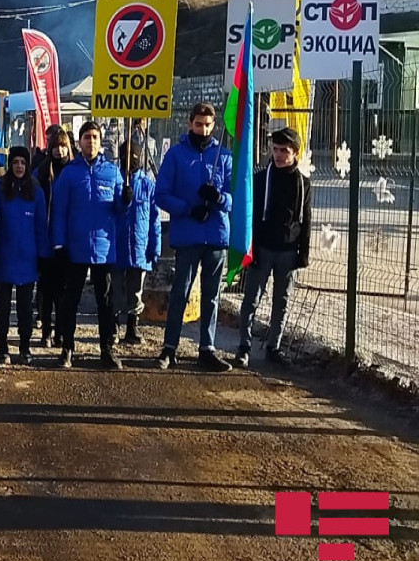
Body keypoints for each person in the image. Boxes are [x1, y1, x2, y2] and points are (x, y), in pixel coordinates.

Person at [155, 103, 234, 372]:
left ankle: (207, 348)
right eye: (198, 124)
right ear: (189, 123)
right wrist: (188, 209)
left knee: (212, 296)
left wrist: (219, 198)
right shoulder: (176, 155)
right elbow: (161, 194)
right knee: (180, 292)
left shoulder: (224, 156)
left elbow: (235, 197)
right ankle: (170, 347)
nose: (203, 129)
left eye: (208, 125)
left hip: (216, 234)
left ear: (214, 125)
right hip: (187, 234)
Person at [51, 122, 127, 369]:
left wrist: (125, 201)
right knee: (70, 300)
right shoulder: (69, 174)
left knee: (106, 303)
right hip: (76, 248)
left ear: (100, 140)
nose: (91, 141)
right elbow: (59, 211)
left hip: (104, 250)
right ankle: (67, 348)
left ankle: (106, 349)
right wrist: (59, 244)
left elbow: (120, 211)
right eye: (86, 137)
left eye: (95, 137)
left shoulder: (113, 172)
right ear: (79, 141)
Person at [236, 127, 311, 369]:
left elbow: (306, 219)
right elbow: (251, 216)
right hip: (263, 249)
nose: (278, 155)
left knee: (282, 301)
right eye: (275, 150)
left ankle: (273, 347)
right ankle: (244, 346)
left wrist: (304, 252)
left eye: (284, 151)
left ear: (295, 153)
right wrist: (251, 248)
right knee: (251, 298)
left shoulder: (302, 183)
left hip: (288, 251)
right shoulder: (261, 180)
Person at [0, 147, 48, 365]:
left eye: (23, 162)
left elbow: (41, 227)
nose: (19, 167)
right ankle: (2, 346)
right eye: (15, 162)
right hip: (4, 256)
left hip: (28, 259)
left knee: (25, 308)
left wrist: (43, 255)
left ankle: (25, 346)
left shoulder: (36, 192)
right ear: (10, 165)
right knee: (2, 307)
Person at [114, 140, 161, 345]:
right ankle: (114, 326)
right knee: (115, 290)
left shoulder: (148, 186)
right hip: (117, 246)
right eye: (126, 157)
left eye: (133, 157)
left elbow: (154, 220)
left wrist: (155, 247)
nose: (130, 161)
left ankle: (132, 327)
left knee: (135, 291)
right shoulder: (116, 181)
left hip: (139, 247)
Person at [36, 126, 73, 347]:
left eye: (63, 146)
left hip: (67, 240)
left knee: (63, 291)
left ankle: (60, 331)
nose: (59, 150)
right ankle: (46, 331)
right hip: (45, 239)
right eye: (55, 146)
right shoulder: (41, 173)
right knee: (46, 290)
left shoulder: (74, 171)